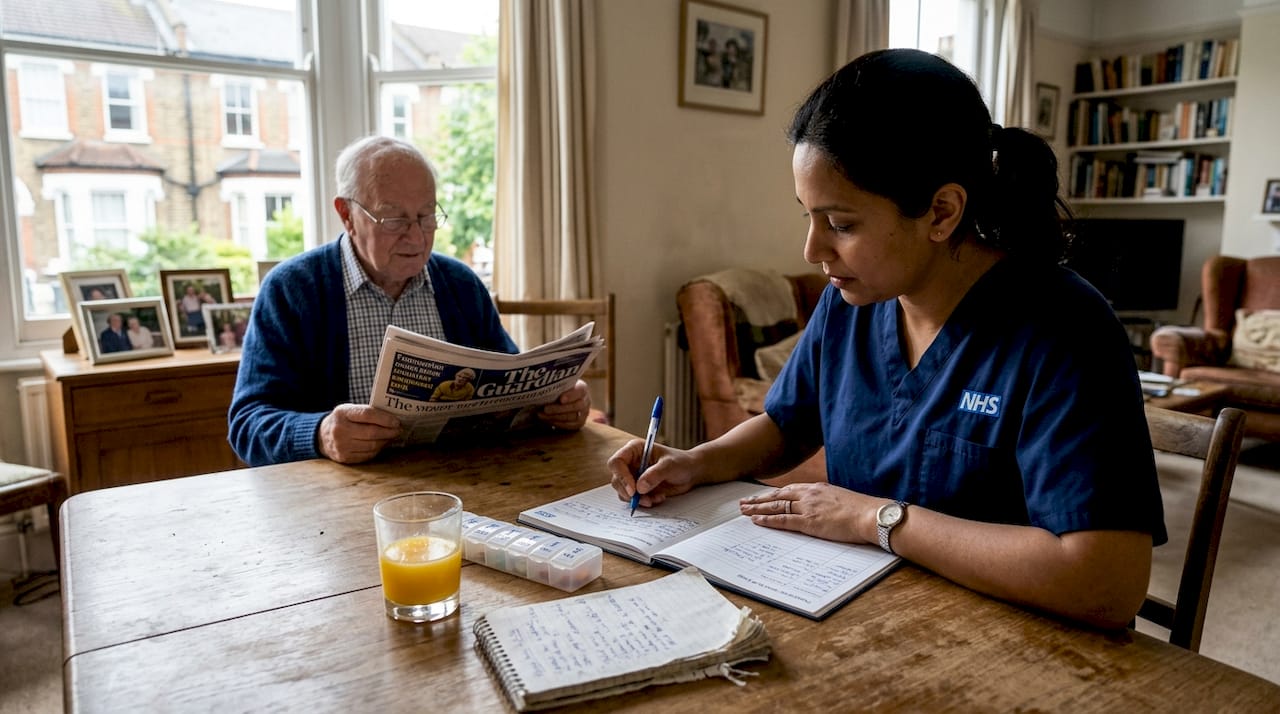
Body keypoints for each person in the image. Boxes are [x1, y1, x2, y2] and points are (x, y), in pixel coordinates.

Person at [607, 49, 1166, 630]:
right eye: (809, 217)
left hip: (1016, 643)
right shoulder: (852, 299)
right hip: (865, 617)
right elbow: (787, 425)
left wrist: (875, 520)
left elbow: (1106, 581)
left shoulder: (1065, 328)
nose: (812, 251)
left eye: (841, 225)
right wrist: (697, 462)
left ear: (942, 212)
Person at [228, 135, 591, 466]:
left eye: (426, 215)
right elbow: (247, 423)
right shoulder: (292, 290)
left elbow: (511, 386)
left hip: (463, 482)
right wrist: (320, 433)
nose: (416, 237)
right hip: (338, 499)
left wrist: (556, 403)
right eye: (394, 219)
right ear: (347, 215)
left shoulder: (460, 286)